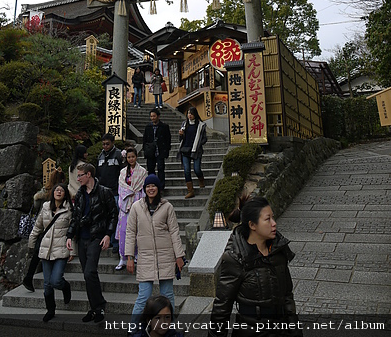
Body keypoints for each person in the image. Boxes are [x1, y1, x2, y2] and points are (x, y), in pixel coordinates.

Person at [208, 195, 302, 337]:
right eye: (267, 219)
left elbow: (287, 296)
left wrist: (295, 331)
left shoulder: (278, 250)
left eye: (273, 217)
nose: (274, 223)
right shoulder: (236, 257)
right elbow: (222, 307)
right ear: (252, 225)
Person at [125, 174, 185, 329]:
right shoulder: (137, 207)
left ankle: (169, 328)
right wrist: (129, 257)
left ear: (158, 188)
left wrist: (179, 256)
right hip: (145, 257)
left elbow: (174, 232)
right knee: (143, 296)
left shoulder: (167, 207)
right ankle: (133, 329)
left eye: (153, 186)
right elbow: (130, 232)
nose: (151, 189)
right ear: (145, 189)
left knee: (168, 295)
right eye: (148, 186)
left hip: (166, 256)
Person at [66, 162, 118, 324]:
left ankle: (99, 306)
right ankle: (95, 307)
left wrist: (109, 235)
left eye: (80, 175)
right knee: (87, 275)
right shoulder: (80, 194)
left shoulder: (104, 192)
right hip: (82, 237)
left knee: (90, 272)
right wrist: (69, 235)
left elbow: (113, 215)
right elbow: (75, 216)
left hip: (97, 236)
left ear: (88, 175)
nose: (78, 178)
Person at [28, 183, 75, 322]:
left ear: (65, 193)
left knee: (55, 280)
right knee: (47, 284)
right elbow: (38, 226)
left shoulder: (69, 209)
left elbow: (73, 231)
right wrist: (32, 243)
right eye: (56, 190)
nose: (59, 192)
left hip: (61, 249)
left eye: (61, 190)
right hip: (46, 248)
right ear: (53, 192)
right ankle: (50, 310)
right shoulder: (45, 207)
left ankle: (65, 287)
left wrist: (73, 250)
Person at [23, 166, 67, 292]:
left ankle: (29, 277)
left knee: (38, 253)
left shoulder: (44, 191)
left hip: (42, 226)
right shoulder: (62, 192)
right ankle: (35, 277)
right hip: (52, 227)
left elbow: (36, 205)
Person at [115, 146, 147, 271]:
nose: (131, 159)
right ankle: (123, 257)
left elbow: (144, 189)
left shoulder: (142, 171)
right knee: (123, 231)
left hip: (138, 200)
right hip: (125, 203)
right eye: (129, 157)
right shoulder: (123, 172)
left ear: (136, 157)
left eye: (133, 156)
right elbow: (121, 188)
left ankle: (137, 254)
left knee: (137, 230)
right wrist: (126, 198)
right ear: (126, 158)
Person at [96, 133, 123, 253]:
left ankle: (115, 241)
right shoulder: (100, 156)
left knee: (116, 216)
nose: (105, 146)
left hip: (115, 190)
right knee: (105, 216)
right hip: (103, 190)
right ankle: (106, 240)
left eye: (107, 144)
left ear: (112, 143)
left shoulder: (119, 154)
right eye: (103, 144)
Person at [178, 107, 207, 199]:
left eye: (191, 113)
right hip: (185, 150)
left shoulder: (200, 125)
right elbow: (180, 139)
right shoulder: (184, 124)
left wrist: (198, 144)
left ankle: (201, 179)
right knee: (186, 170)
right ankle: (190, 191)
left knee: (197, 169)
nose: (189, 115)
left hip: (196, 151)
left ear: (195, 114)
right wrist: (181, 135)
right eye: (188, 113)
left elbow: (204, 139)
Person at [143, 109, 171, 191]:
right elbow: (144, 139)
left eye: (154, 116)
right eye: (151, 116)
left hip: (160, 151)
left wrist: (167, 150)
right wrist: (146, 148)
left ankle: (161, 187)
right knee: (151, 169)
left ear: (158, 116)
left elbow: (168, 139)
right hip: (150, 151)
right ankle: (152, 185)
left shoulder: (164, 126)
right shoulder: (148, 127)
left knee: (161, 168)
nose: (152, 118)